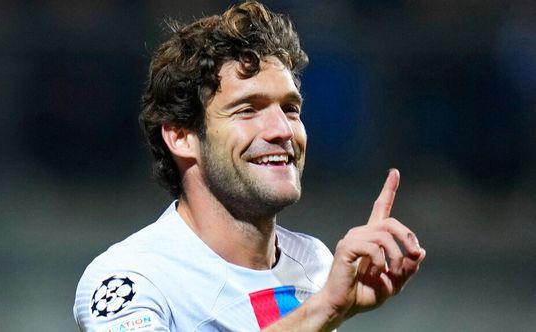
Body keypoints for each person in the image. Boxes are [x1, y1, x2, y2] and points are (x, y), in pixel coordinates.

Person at [73, 1, 426, 331]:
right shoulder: (129, 279)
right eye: (247, 110)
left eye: (290, 108)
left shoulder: (314, 265)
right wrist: (321, 311)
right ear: (181, 137)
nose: (283, 130)